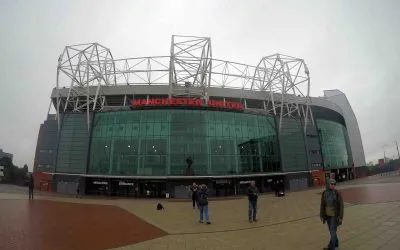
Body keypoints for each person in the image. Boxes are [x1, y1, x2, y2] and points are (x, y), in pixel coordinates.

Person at [320, 179, 344, 250]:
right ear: (328, 184)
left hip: (334, 215)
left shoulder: (337, 193)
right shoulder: (324, 193)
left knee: (332, 231)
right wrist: (321, 215)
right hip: (327, 215)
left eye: (334, 184)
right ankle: (335, 244)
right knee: (331, 230)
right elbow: (322, 205)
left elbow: (341, 205)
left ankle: (332, 247)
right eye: (331, 184)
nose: (333, 185)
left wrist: (340, 217)